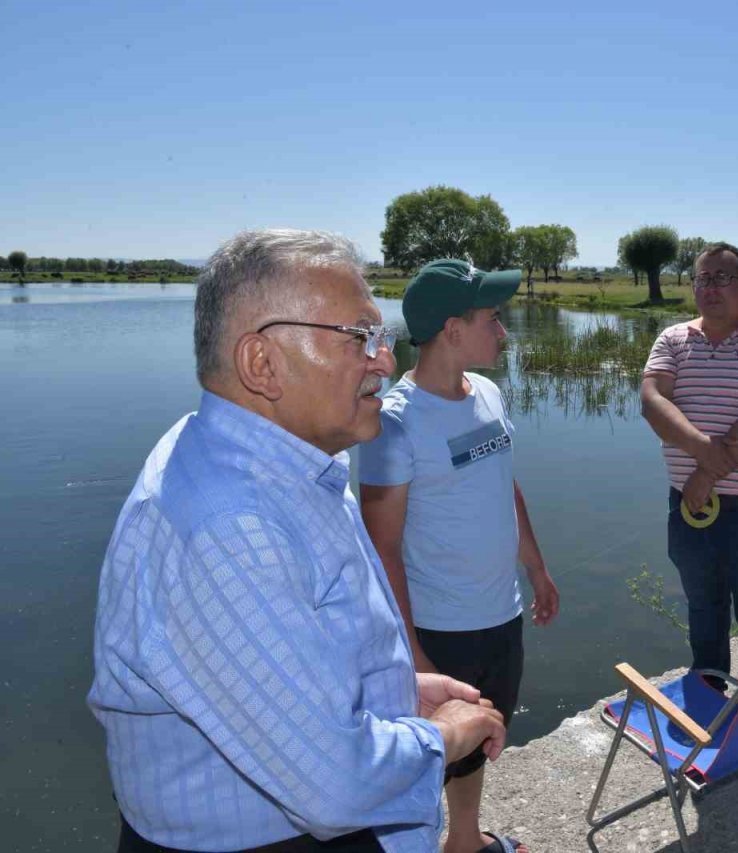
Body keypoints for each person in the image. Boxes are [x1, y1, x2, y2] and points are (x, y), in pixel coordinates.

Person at [88, 230, 507, 853]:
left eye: (382, 337)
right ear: (262, 363)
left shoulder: (274, 455)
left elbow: (283, 653)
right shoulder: (228, 523)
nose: (385, 362)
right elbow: (336, 782)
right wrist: (443, 734)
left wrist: (392, 690)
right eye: (359, 338)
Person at [360, 259, 558, 853]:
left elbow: (505, 486)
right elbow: (380, 547)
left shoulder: (490, 394)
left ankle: (465, 842)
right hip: (439, 630)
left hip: (501, 615)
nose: (504, 331)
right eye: (492, 319)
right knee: (425, 757)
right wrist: (413, 653)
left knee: (481, 738)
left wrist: (536, 566)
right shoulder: (394, 425)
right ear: (452, 329)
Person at [640, 242, 738, 684]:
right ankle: (707, 690)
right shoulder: (672, 338)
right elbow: (653, 402)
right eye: (703, 279)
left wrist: (703, 475)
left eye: (722, 278)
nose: (711, 288)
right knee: (703, 606)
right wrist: (704, 458)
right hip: (690, 507)